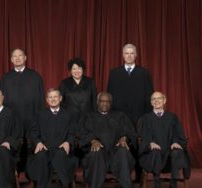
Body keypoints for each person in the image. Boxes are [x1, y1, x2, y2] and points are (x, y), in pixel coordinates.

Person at [107, 43, 154, 181]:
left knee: (138, 146)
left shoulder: (144, 73)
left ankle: (139, 177)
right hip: (119, 118)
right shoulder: (114, 73)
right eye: (126, 53)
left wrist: (146, 117)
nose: (129, 56)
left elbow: (149, 96)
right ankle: (122, 176)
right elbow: (109, 97)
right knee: (122, 146)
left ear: (136, 55)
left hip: (139, 116)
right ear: (122, 55)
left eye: (131, 53)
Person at [0, 48, 45, 173]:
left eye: (20, 55)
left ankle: (32, 173)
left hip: (31, 118)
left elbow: (41, 100)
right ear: (11, 59)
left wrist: (40, 119)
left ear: (25, 58)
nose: (18, 58)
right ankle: (13, 174)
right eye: (15, 56)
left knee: (31, 146)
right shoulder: (5, 78)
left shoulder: (35, 77)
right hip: (12, 120)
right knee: (13, 145)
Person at [79, 92, 136, 188]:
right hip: (99, 151)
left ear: (111, 103)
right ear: (97, 102)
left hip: (116, 151)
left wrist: (124, 138)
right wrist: (92, 140)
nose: (105, 103)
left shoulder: (120, 116)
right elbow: (81, 132)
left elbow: (130, 132)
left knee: (123, 151)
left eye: (107, 101)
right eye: (102, 101)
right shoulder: (89, 117)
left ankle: (127, 186)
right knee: (95, 152)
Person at [139, 91, 190, 188]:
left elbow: (178, 133)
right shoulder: (146, 118)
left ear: (164, 100)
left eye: (159, 98)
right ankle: (157, 181)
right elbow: (144, 135)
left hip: (170, 155)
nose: (156, 101)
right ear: (151, 102)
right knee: (155, 151)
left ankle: (173, 182)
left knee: (177, 151)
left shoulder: (172, 117)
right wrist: (151, 143)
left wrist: (175, 142)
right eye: (154, 99)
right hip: (152, 154)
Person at [27, 89, 76, 188]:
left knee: (62, 156)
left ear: (60, 98)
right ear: (47, 100)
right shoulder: (40, 114)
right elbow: (33, 132)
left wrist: (67, 142)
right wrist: (38, 142)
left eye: (55, 97)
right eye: (50, 97)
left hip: (61, 148)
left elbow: (72, 132)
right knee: (40, 157)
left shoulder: (68, 115)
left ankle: (64, 184)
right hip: (44, 147)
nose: (53, 99)